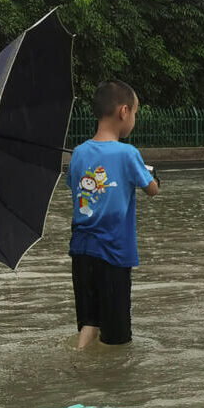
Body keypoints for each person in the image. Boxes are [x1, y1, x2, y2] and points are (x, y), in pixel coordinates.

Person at [66, 79, 159, 349]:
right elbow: (151, 189)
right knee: (117, 338)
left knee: (89, 323)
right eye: (135, 113)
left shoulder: (79, 153)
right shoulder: (128, 154)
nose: (134, 119)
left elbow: (74, 186)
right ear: (123, 111)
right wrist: (154, 175)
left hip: (81, 252)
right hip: (114, 254)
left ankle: (77, 362)